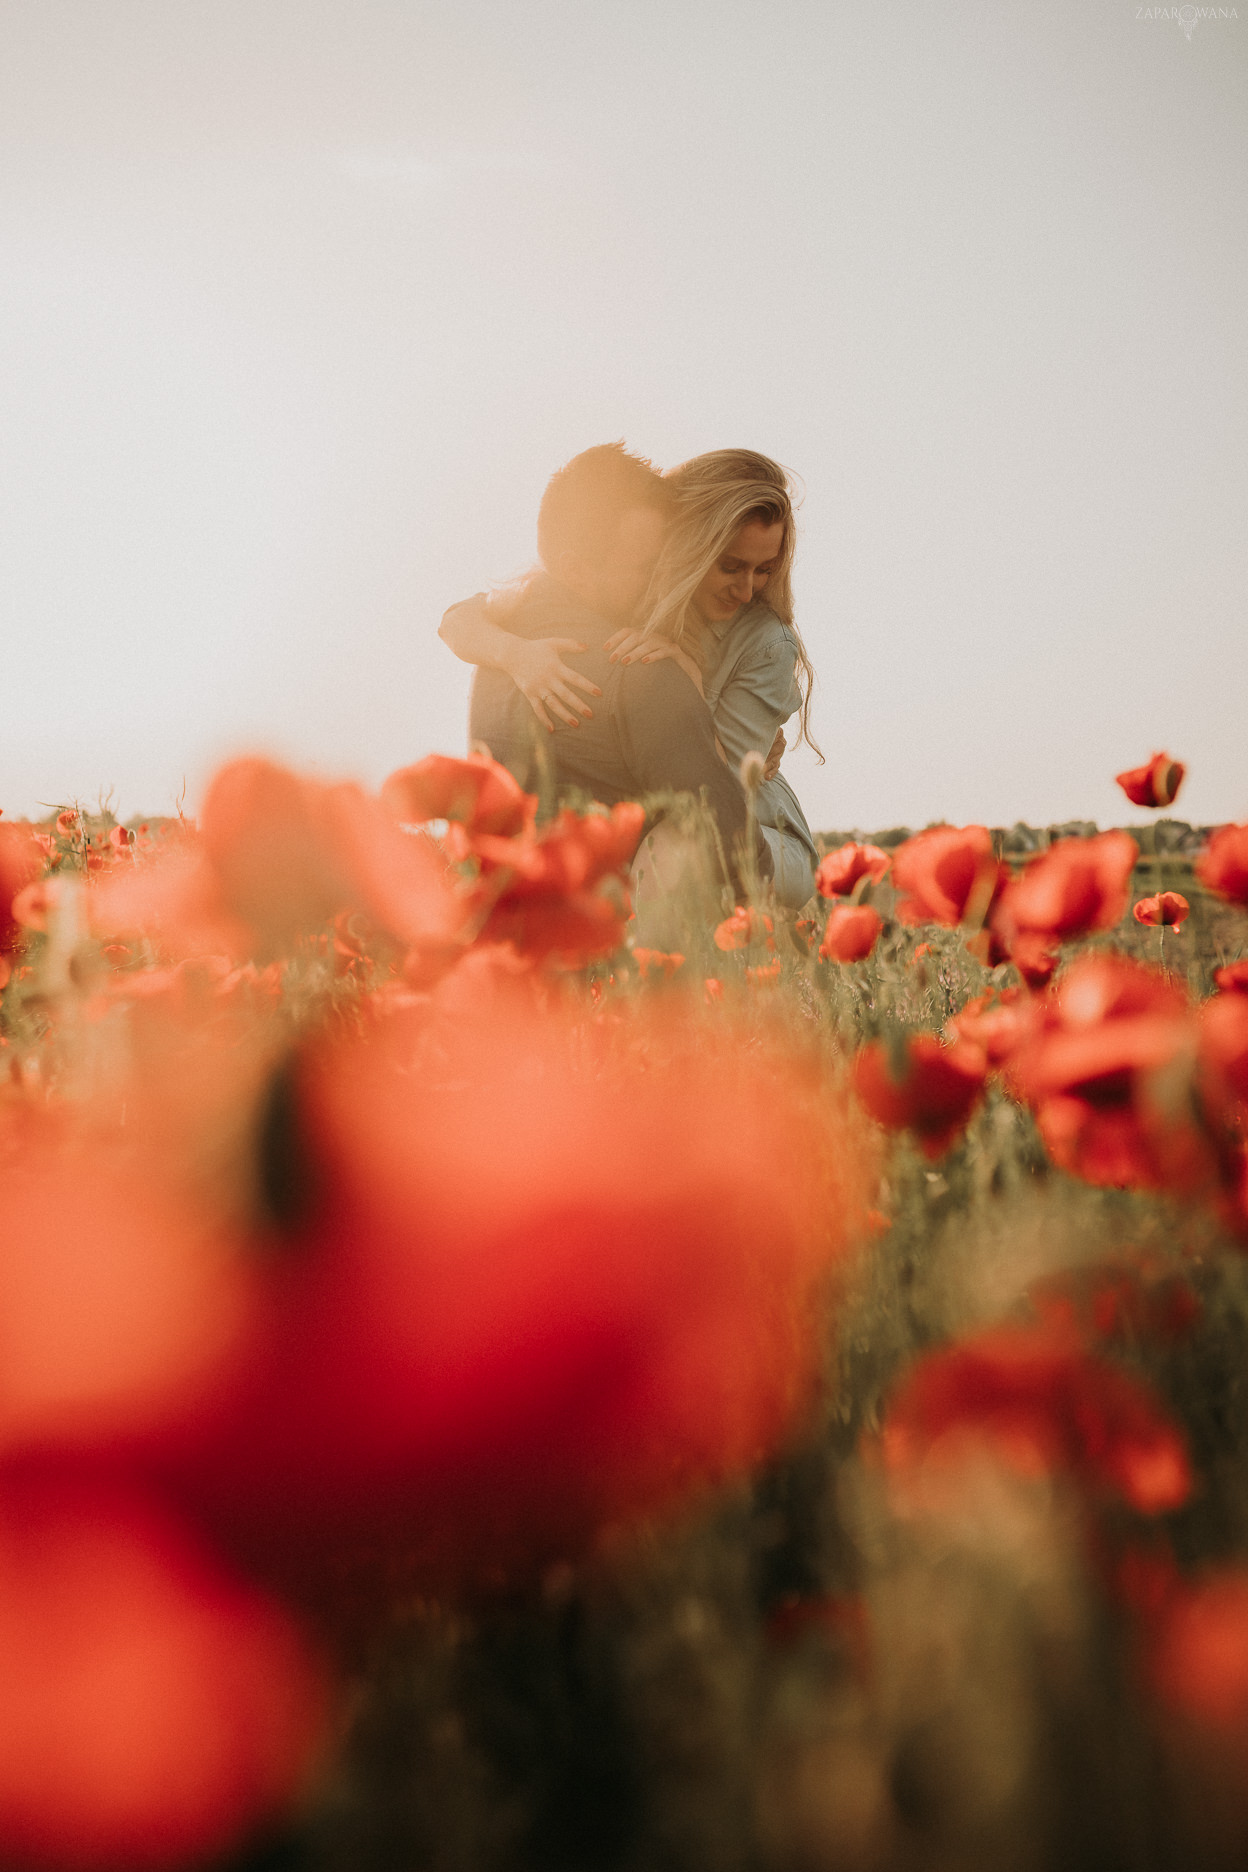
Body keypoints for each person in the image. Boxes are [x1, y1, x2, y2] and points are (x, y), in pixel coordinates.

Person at [442, 447, 820, 908]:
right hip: (674, 822)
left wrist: (689, 685)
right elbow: (460, 619)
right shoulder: (628, 587)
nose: (747, 590)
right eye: (731, 566)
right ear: (687, 547)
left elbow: (716, 796)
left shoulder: (765, 642)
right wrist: (517, 655)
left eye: (765, 570)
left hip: (760, 828)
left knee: (680, 846)